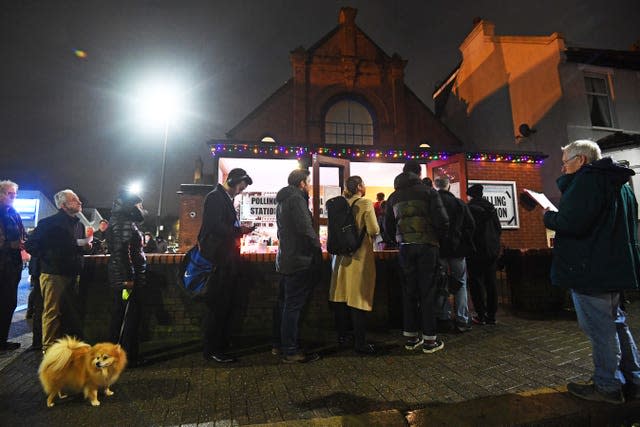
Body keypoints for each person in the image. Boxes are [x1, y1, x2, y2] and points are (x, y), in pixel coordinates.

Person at [543, 140, 640, 404]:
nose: (563, 169)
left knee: (601, 329)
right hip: (612, 266)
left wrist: (548, 216)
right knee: (617, 324)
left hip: (590, 268)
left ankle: (607, 386)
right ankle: (634, 380)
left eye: (565, 163)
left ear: (581, 160)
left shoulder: (587, 182)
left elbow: (570, 223)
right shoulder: (619, 184)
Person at [384, 160, 449, 354]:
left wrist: (397, 240)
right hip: (427, 246)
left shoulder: (393, 197)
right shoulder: (429, 193)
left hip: (405, 247)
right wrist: (438, 237)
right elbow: (442, 220)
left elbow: (386, 225)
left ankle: (411, 337)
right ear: (419, 173)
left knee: (409, 291)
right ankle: (430, 339)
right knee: (427, 291)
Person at [197, 168, 254, 363]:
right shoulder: (215, 198)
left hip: (225, 260)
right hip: (219, 260)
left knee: (223, 305)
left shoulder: (223, 198)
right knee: (218, 305)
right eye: (241, 186)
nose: (241, 190)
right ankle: (212, 349)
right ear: (232, 181)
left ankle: (218, 345)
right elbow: (215, 226)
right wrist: (240, 230)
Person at [25, 189, 89, 352]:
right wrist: (49, 257)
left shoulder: (79, 225)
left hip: (72, 272)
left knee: (68, 312)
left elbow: (74, 247)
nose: (79, 202)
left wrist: (85, 247)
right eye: (74, 199)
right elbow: (31, 245)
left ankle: (65, 346)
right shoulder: (49, 223)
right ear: (63, 205)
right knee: (52, 312)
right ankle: (48, 348)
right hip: (54, 273)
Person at [274, 169, 322, 363]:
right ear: (302, 183)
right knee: (293, 307)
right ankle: (291, 350)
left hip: (286, 258)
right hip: (299, 259)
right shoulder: (296, 199)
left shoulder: (282, 200)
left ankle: (278, 344)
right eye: (308, 182)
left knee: (284, 304)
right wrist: (317, 246)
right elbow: (305, 228)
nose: (309, 186)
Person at [329, 176, 380, 355]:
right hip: (359, 257)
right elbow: (374, 229)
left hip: (341, 258)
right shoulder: (365, 203)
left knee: (342, 298)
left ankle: (343, 337)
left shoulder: (339, 204)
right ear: (359, 186)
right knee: (358, 298)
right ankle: (360, 342)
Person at [106, 191, 147, 367]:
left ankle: (118, 356)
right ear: (131, 206)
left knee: (121, 315)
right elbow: (123, 252)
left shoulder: (121, 219)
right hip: (126, 280)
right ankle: (126, 358)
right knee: (127, 318)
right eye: (139, 205)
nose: (142, 209)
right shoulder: (123, 221)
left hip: (123, 277)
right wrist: (128, 279)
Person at [434, 177, 475, 333]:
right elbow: (470, 225)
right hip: (457, 250)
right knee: (461, 283)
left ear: (436, 187)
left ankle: (444, 317)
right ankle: (462, 319)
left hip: (439, 250)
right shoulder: (459, 203)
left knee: (441, 282)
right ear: (449, 186)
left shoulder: (433, 203)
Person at [466, 183, 502, 326]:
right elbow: (498, 229)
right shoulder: (491, 208)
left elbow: (467, 229)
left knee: (475, 283)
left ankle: (480, 315)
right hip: (491, 251)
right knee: (491, 283)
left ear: (470, 195)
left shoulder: (469, 208)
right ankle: (492, 315)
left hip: (475, 251)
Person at [0, 180, 26, 351]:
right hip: (3, 263)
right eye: (10, 194)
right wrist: (12, 245)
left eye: (15, 194)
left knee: (9, 303)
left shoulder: (13, 213)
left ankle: (2, 340)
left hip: (12, 265)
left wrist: (23, 243)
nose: (13, 197)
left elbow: (22, 234)